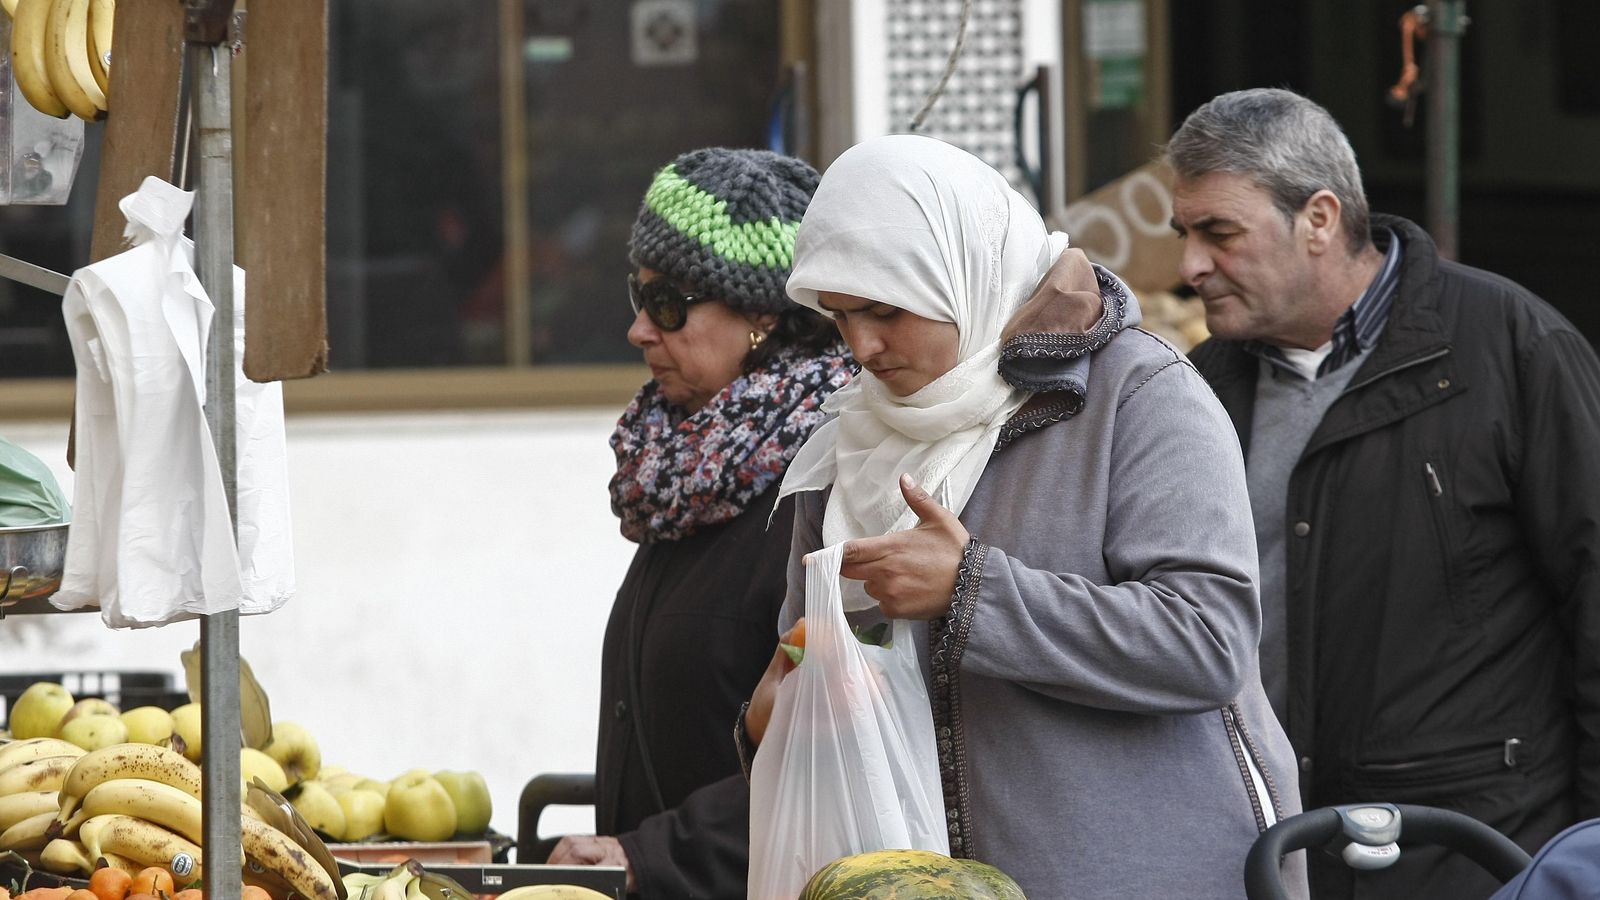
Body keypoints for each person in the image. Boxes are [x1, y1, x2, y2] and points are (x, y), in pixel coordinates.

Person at [741, 134, 1308, 899]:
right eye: (838, 317)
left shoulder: (1136, 396)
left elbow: (1208, 640)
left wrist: (974, 592)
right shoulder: (847, 449)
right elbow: (804, 666)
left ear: (963, 277)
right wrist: (779, 715)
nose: (862, 346)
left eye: (884, 310)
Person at [1170, 87, 1600, 898]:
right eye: (1184, 235)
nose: (1190, 267)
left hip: (1475, 856)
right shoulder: (1197, 391)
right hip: (1271, 849)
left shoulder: (1511, 348)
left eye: (1219, 233)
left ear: (1320, 219)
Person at [544, 148, 853, 897]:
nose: (640, 331)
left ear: (763, 317)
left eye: (670, 305)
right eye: (637, 297)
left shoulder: (825, 485)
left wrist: (652, 858)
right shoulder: (686, 472)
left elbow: (831, 758)